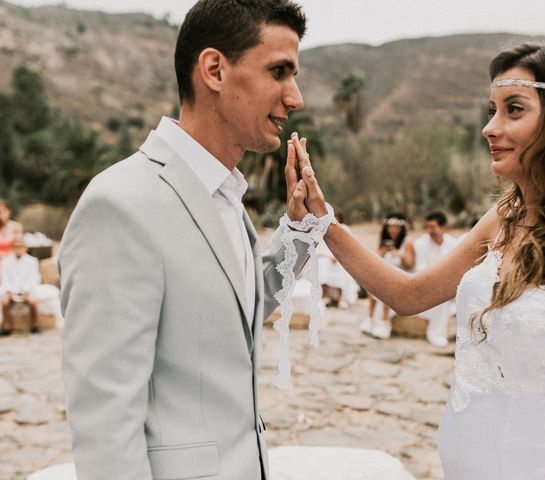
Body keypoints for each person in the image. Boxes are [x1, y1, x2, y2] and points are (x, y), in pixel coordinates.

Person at [291, 41, 545, 479]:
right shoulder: (504, 218)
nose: (489, 128)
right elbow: (409, 294)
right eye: (492, 110)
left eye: (514, 110)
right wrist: (326, 223)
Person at [59, 1, 312, 479]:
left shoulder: (228, 199)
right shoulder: (119, 204)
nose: (295, 97)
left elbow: (237, 313)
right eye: (279, 72)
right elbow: (106, 421)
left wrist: (297, 233)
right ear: (214, 69)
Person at [361, 213, 415, 339]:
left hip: (401, 277)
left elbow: (410, 265)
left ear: (402, 228)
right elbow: (374, 262)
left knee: (386, 285)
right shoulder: (383, 241)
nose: (393, 230)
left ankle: (385, 322)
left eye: (396, 227)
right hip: (384, 275)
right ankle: (370, 318)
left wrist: (398, 254)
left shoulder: (407, 241)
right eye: (390, 227)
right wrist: (382, 251)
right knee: (371, 282)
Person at [413, 211, 458, 346]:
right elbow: (419, 269)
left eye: (433, 227)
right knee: (441, 297)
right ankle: (436, 334)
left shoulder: (454, 244)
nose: (430, 231)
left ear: (444, 227)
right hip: (427, 285)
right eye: (428, 227)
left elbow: (456, 268)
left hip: (451, 286)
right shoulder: (420, 244)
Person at [0, 236, 41, 335]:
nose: (18, 248)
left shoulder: (32, 260)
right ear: (12, 248)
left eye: (20, 246)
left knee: (33, 302)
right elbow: (5, 278)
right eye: (16, 246)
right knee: (5, 302)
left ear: (25, 248)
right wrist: (10, 291)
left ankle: (35, 324)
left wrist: (25, 290)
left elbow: (34, 277)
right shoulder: (6, 261)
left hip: (27, 290)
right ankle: (7, 325)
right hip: (11, 290)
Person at [0, 200, 24, 278]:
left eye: (3, 211)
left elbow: (18, 245)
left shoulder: (16, 226)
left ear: (8, 211)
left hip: (12, 259)